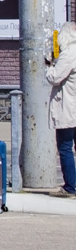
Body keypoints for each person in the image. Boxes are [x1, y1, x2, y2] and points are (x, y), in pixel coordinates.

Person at [44, 22, 76, 198]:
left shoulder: (69, 53)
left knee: (65, 147)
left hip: (69, 107)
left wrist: (48, 65)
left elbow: (55, 77)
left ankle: (71, 186)